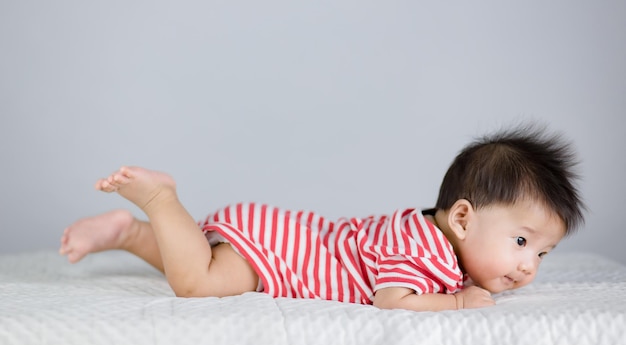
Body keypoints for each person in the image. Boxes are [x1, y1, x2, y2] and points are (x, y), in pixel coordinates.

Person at [59, 125, 585, 311]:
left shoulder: (434, 233)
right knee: (198, 282)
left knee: (198, 259)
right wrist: (456, 301)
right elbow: (392, 301)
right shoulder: (427, 251)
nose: (528, 266)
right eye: (520, 241)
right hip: (283, 258)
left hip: (277, 235)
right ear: (464, 219)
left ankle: (129, 236)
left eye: (540, 252)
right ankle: (161, 202)